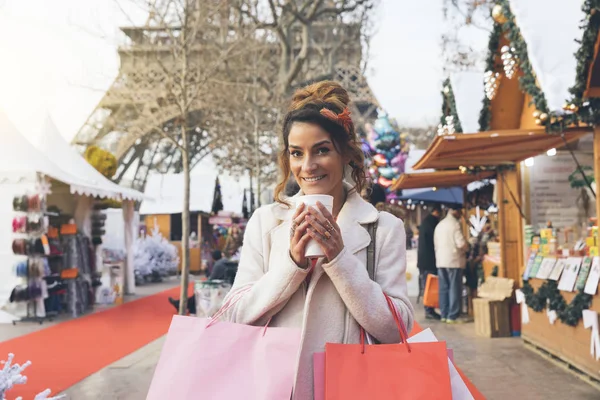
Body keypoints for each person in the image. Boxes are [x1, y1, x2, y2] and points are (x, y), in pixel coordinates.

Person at [222, 81, 414, 399]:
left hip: (352, 388)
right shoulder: (266, 223)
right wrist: (291, 266)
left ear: (347, 154)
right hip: (276, 388)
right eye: (297, 153)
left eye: (322, 150)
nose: (308, 166)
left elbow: (398, 328)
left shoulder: (383, 229)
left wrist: (340, 260)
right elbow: (235, 315)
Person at [434, 205, 469, 324]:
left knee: (443, 288)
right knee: (454, 287)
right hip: (453, 260)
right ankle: (453, 315)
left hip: (441, 260)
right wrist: (467, 247)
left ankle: (444, 313)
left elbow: (436, 243)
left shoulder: (440, 224)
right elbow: (460, 243)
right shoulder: (455, 224)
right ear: (456, 211)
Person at [168, 250, 229, 314]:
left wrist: (205, 270)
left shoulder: (218, 265)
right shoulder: (225, 262)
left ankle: (181, 304)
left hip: (217, 287)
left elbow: (211, 279)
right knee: (196, 294)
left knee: (198, 291)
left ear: (213, 258)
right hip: (222, 285)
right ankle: (182, 305)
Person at [417, 204, 442, 320]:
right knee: (429, 286)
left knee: (427, 285)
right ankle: (429, 309)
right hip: (429, 260)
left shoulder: (425, 222)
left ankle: (429, 309)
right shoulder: (432, 224)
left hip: (423, 260)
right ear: (436, 211)